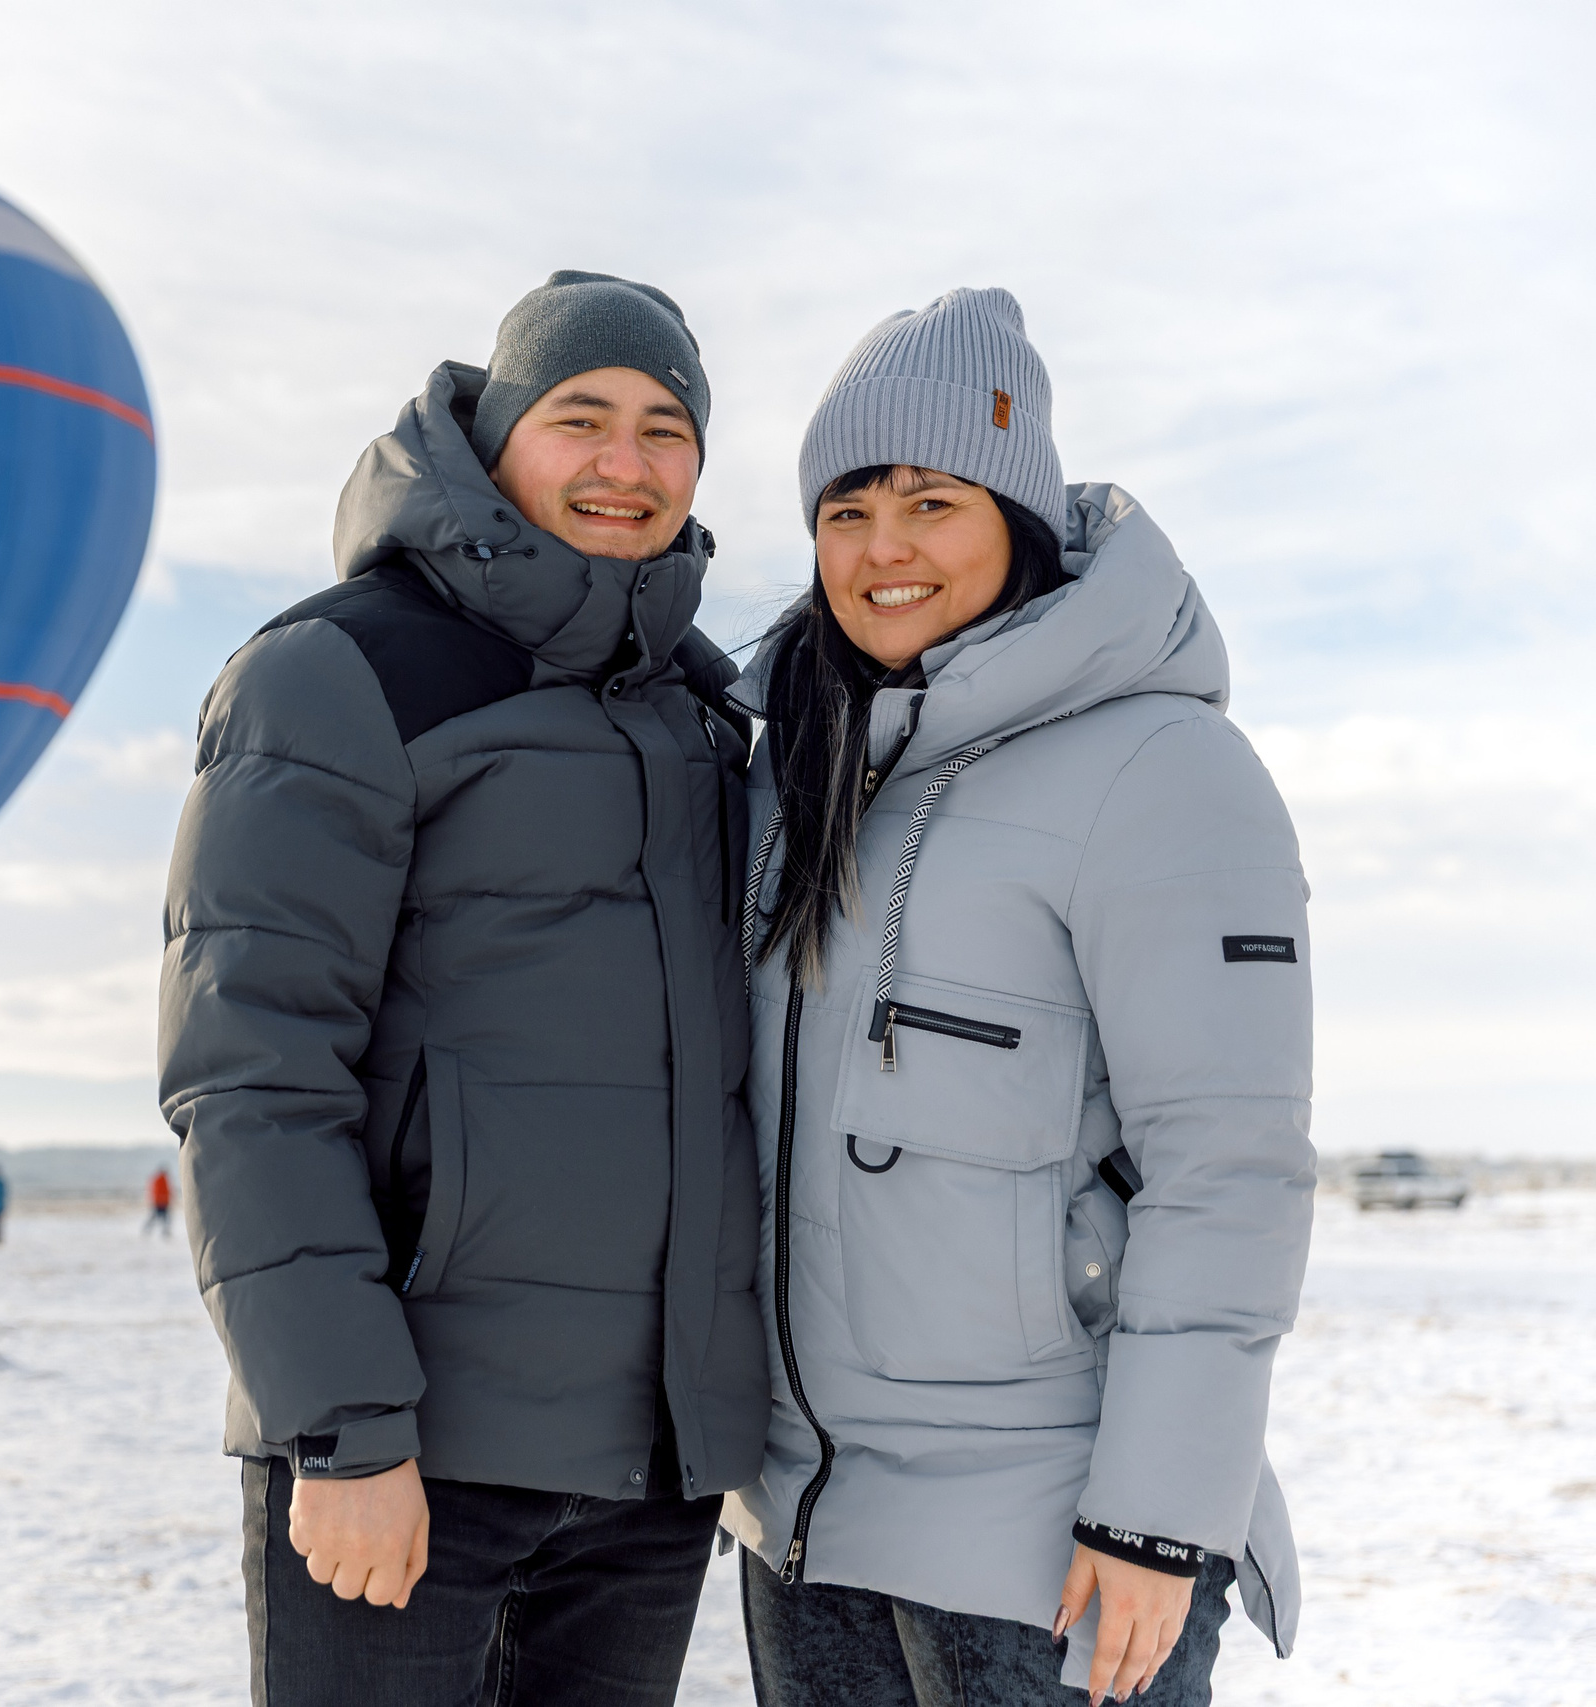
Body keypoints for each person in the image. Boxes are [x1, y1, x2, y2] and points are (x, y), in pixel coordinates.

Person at [160, 271, 765, 1706]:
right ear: (495, 434)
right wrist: (344, 1428)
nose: (627, 462)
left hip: (651, 1467)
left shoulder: (700, 710)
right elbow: (253, 1069)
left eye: (667, 427)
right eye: (582, 416)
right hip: (415, 1453)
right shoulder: (338, 670)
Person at [725, 287, 1313, 1706]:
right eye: (847, 510)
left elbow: (1228, 1167)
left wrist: (1157, 1514)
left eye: (932, 501)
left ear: (1021, 519)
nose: (884, 550)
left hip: (1051, 1535)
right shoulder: (792, 769)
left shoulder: (1160, 767)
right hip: (807, 1522)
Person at [144, 1167, 174, 1237]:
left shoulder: (163, 1179)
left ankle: (164, 1231)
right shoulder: (160, 1179)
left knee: (164, 1218)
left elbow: (167, 1191)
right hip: (160, 1202)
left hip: (162, 1202)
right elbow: (158, 1192)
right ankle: (148, 1228)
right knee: (157, 1217)